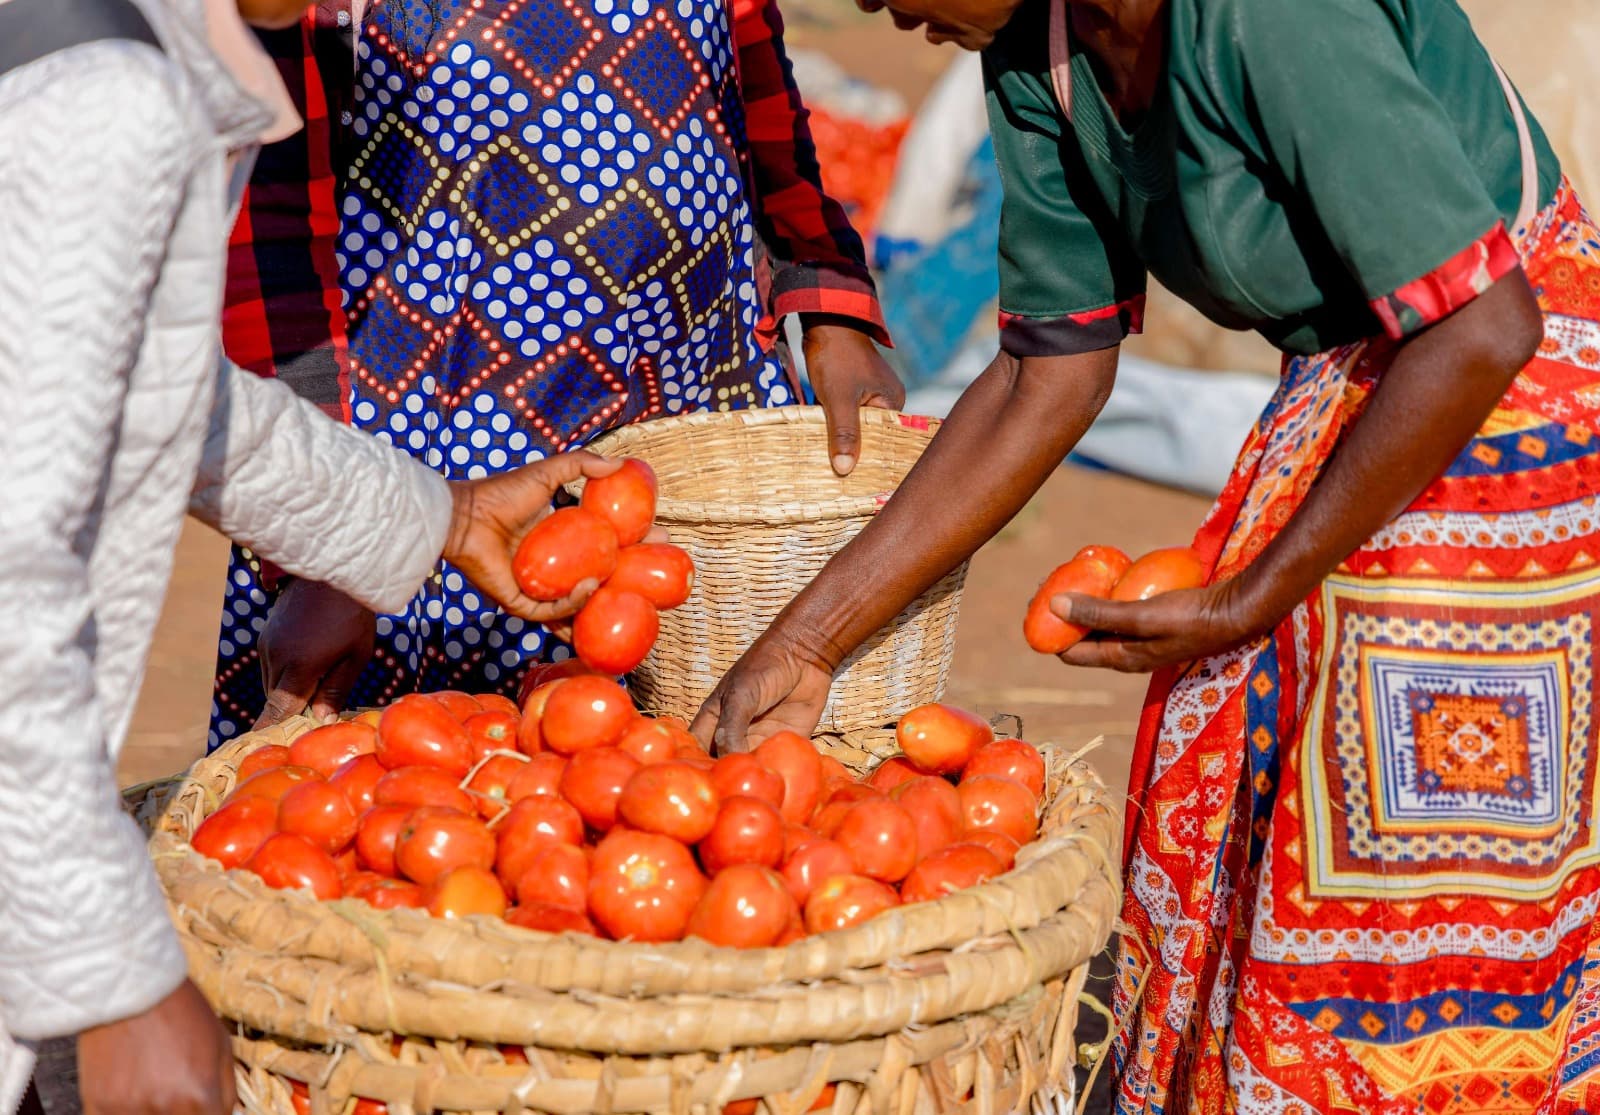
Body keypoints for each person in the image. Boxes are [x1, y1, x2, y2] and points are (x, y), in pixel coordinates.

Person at [691, 0, 1600, 1109]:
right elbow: (1048, 371)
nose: (882, 7)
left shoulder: (1266, 18)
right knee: (1241, 787)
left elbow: (1483, 324)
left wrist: (1255, 595)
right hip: (1352, 388)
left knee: (1403, 861)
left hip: (1507, 414)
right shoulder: (1038, 53)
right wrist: (807, 642)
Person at [0, 0, 618, 1110]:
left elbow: (147, 388)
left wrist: (438, 519)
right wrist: (120, 975)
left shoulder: (110, 45)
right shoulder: (101, 96)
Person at [206, 0, 904, 741]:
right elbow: (271, 222)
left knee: (699, 783)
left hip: (689, 394)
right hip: (432, 444)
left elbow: (760, 94)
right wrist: (327, 542)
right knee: (439, 783)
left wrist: (831, 297)